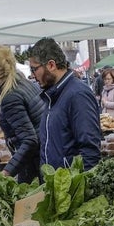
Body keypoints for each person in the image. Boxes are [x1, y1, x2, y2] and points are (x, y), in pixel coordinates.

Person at [27, 37, 102, 170]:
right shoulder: (53, 95)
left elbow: (90, 151)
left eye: (34, 69)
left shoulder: (78, 95)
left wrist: (80, 188)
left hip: (69, 187)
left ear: (51, 65)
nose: (32, 75)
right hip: (57, 186)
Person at [0, 45, 46, 184]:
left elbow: (30, 140)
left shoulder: (11, 96)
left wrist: (6, 172)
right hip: (42, 158)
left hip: (33, 165)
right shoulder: (24, 83)